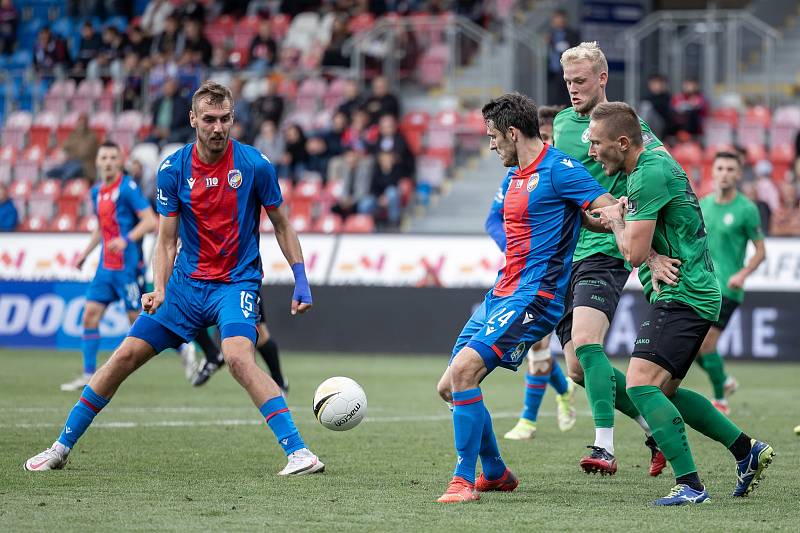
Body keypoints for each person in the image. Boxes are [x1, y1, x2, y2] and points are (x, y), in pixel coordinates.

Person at [25, 81, 323, 476]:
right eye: (209, 120)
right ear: (193, 120)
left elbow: (282, 224)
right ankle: (61, 447)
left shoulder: (254, 165)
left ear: (233, 118)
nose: (218, 128)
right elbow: (166, 242)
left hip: (235, 284)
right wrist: (159, 288)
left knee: (237, 358)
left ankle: (300, 453)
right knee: (123, 357)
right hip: (184, 288)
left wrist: (300, 279)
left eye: (224, 119)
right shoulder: (173, 169)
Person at [434, 92, 617, 503]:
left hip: (536, 295)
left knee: (464, 372)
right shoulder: (514, 175)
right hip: (502, 291)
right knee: (448, 387)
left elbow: (607, 207)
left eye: (494, 137)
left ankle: (464, 480)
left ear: (513, 133)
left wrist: (636, 245)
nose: (491, 144)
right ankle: (496, 471)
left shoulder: (560, 168)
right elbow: (579, 217)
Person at [589, 101, 774, 506]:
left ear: (623, 142)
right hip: (695, 290)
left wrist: (618, 220)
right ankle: (747, 451)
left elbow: (634, 254)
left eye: (597, 144)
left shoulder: (646, 176)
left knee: (639, 384)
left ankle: (691, 485)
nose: (591, 152)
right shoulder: (651, 153)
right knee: (665, 392)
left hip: (682, 292)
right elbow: (628, 118)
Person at [553, 41, 672, 476]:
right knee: (579, 369)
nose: (573, 89)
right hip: (565, 254)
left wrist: (652, 250)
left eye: (580, 80)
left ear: (602, 78)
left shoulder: (629, 125)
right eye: (568, 81)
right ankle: (656, 428)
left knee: (587, 343)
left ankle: (603, 446)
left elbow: (660, 170)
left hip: (606, 249)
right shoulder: (563, 124)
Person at [489, 104, 577, 440]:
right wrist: (515, 249)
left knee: (546, 349)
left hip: (566, 268)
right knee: (535, 345)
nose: (548, 142)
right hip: (528, 271)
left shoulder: (563, 170)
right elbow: (491, 219)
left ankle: (533, 416)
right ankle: (539, 410)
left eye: (553, 137)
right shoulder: (517, 173)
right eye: (544, 136)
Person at [60, 141, 157, 391]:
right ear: (97, 162)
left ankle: (181, 348)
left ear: (120, 161)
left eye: (113, 158)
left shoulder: (128, 188)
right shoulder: (96, 192)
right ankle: (88, 374)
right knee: (90, 316)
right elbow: (101, 228)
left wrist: (126, 240)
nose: (108, 162)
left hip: (127, 266)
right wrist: (85, 254)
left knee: (138, 320)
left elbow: (150, 221)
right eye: (104, 158)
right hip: (105, 267)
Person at [697, 152, 766, 414]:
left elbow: (761, 251)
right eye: (720, 168)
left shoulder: (746, 209)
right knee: (691, 349)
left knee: (706, 345)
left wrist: (743, 274)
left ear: (738, 174)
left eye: (730, 169)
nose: (724, 173)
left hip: (728, 287)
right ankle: (724, 381)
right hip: (702, 285)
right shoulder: (702, 205)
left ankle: (720, 401)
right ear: (712, 172)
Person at [190, 322, 288, 396]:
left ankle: (279, 383)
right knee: (188, 310)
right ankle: (212, 355)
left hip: (241, 295)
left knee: (260, 335)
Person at [546, 10, 579, 107]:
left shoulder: (572, 34)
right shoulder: (550, 35)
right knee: (553, 99)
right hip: (552, 72)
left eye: (560, 19)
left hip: (566, 70)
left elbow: (576, 48)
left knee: (566, 98)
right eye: (556, 19)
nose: (558, 21)